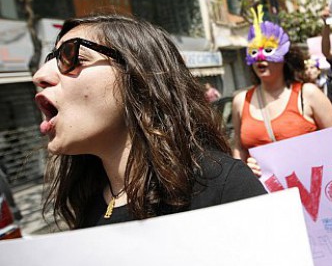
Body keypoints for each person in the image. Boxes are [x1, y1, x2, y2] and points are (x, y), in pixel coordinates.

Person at [33, 14, 266, 229]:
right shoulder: (87, 207)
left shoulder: (223, 185)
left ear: (139, 76)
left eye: (72, 56)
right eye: (49, 59)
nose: (40, 75)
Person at [232, 6, 332, 170]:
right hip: (263, 185)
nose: (260, 58)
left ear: (284, 56)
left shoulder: (308, 94)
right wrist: (244, 170)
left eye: (268, 50)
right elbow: (239, 148)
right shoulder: (240, 101)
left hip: (312, 180)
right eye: (254, 52)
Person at [303, 56, 332, 121]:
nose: (309, 71)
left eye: (312, 67)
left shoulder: (329, 87)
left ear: (318, 70)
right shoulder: (303, 90)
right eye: (306, 68)